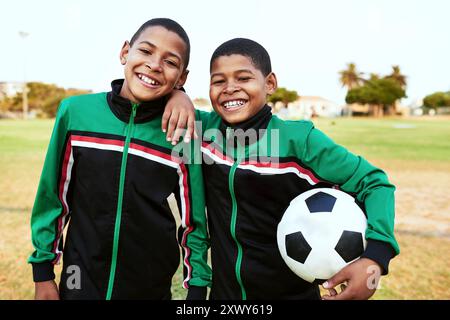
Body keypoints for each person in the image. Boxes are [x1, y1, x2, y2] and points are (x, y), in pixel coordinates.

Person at [199, 38, 399, 300]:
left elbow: (374, 183)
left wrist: (376, 257)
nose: (230, 88)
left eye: (243, 78)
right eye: (218, 81)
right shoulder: (201, 131)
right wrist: (177, 96)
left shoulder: (300, 140)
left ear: (270, 83)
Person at [28, 18, 211, 300]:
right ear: (125, 52)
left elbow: (193, 220)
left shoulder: (184, 129)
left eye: (170, 62)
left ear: (182, 77)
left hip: (150, 285)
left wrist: (197, 287)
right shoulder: (75, 112)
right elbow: (53, 197)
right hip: (79, 276)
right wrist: (43, 273)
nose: (154, 65)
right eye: (146, 51)